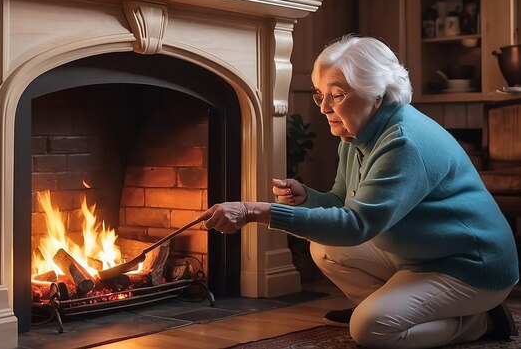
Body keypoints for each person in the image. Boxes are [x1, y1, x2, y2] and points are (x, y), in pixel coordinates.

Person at [199, 35, 519, 348]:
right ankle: (395, 310)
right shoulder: (356, 136)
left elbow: (356, 225)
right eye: (320, 94)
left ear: (376, 94)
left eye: (336, 95)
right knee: (323, 248)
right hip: (420, 257)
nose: (324, 107)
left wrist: (256, 211)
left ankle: (481, 321)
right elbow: (342, 201)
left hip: (469, 265)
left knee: (369, 331)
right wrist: (308, 197)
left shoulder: (403, 142)